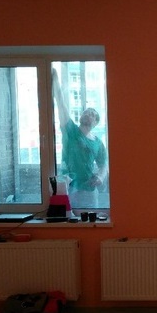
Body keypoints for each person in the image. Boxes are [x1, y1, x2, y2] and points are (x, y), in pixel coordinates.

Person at [52, 68, 108, 209]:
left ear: (95, 123)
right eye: (86, 112)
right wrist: (55, 80)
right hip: (68, 185)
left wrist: (100, 177)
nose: (87, 113)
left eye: (92, 114)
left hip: (88, 189)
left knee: (90, 217)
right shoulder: (70, 130)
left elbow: (103, 164)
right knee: (67, 216)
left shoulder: (97, 143)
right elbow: (61, 105)